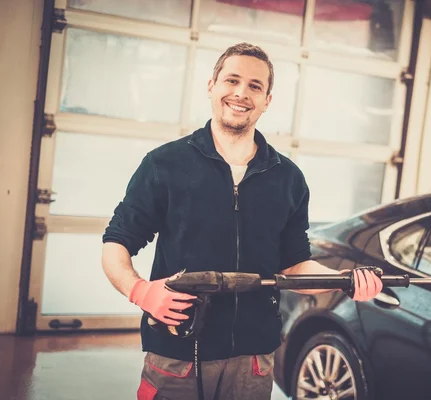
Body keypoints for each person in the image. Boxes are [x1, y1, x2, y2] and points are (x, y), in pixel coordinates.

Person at [101, 42, 383, 400]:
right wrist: (140, 291)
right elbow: (116, 242)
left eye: (254, 86)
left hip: (253, 361)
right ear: (211, 87)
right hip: (177, 354)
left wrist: (344, 281)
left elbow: (295, 266)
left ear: (267, 100)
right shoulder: (164, 165)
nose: (241, 93)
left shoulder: (288, 179)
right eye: (231, 80)